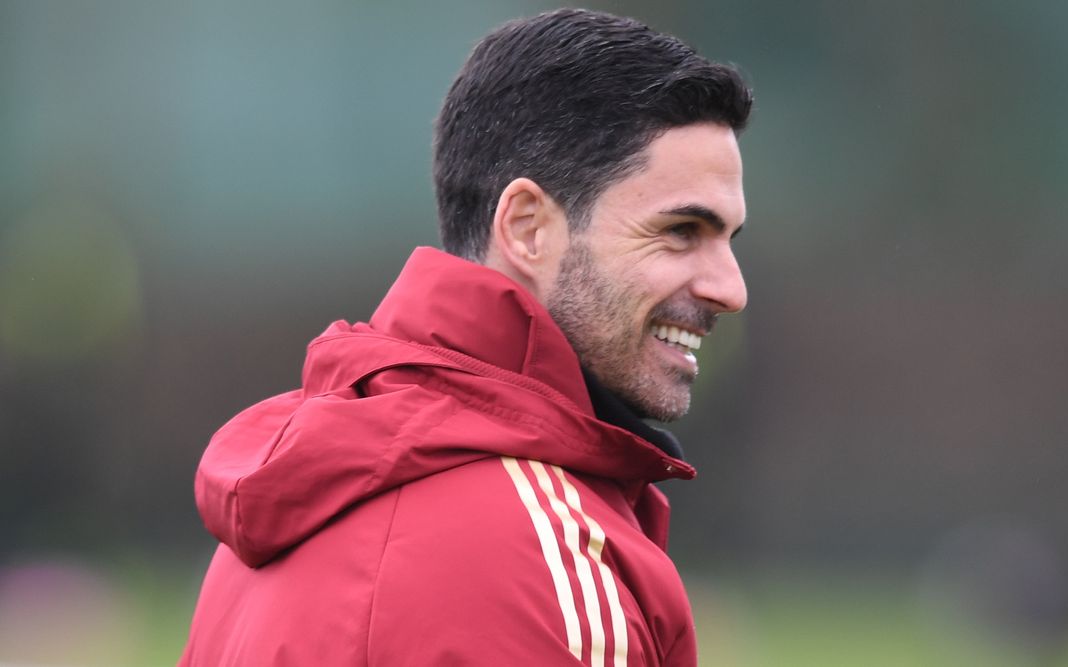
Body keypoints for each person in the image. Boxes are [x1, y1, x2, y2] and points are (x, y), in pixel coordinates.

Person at [179, 8, 751, 666]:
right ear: (529, 228)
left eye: (728, 241)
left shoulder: (268, 530)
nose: (730, 289)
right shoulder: (545, 560)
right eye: (682, 230)